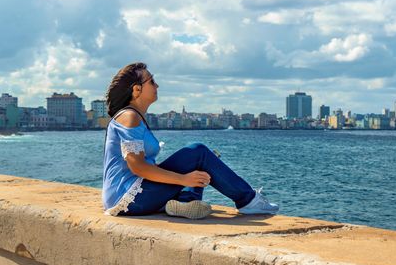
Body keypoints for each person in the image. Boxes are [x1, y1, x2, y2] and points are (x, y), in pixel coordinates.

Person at [102, 62, 278, 219]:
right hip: (128, 199)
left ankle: (185, 201)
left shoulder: (135, 116)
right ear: (136, 89)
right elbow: (138, 167)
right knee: (198, 152)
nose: (157, 85)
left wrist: (186, 177)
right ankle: (248, 200)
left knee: (202, 160)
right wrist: (182, 179)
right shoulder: (129, 117)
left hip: (137, 195)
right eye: (152, 81)